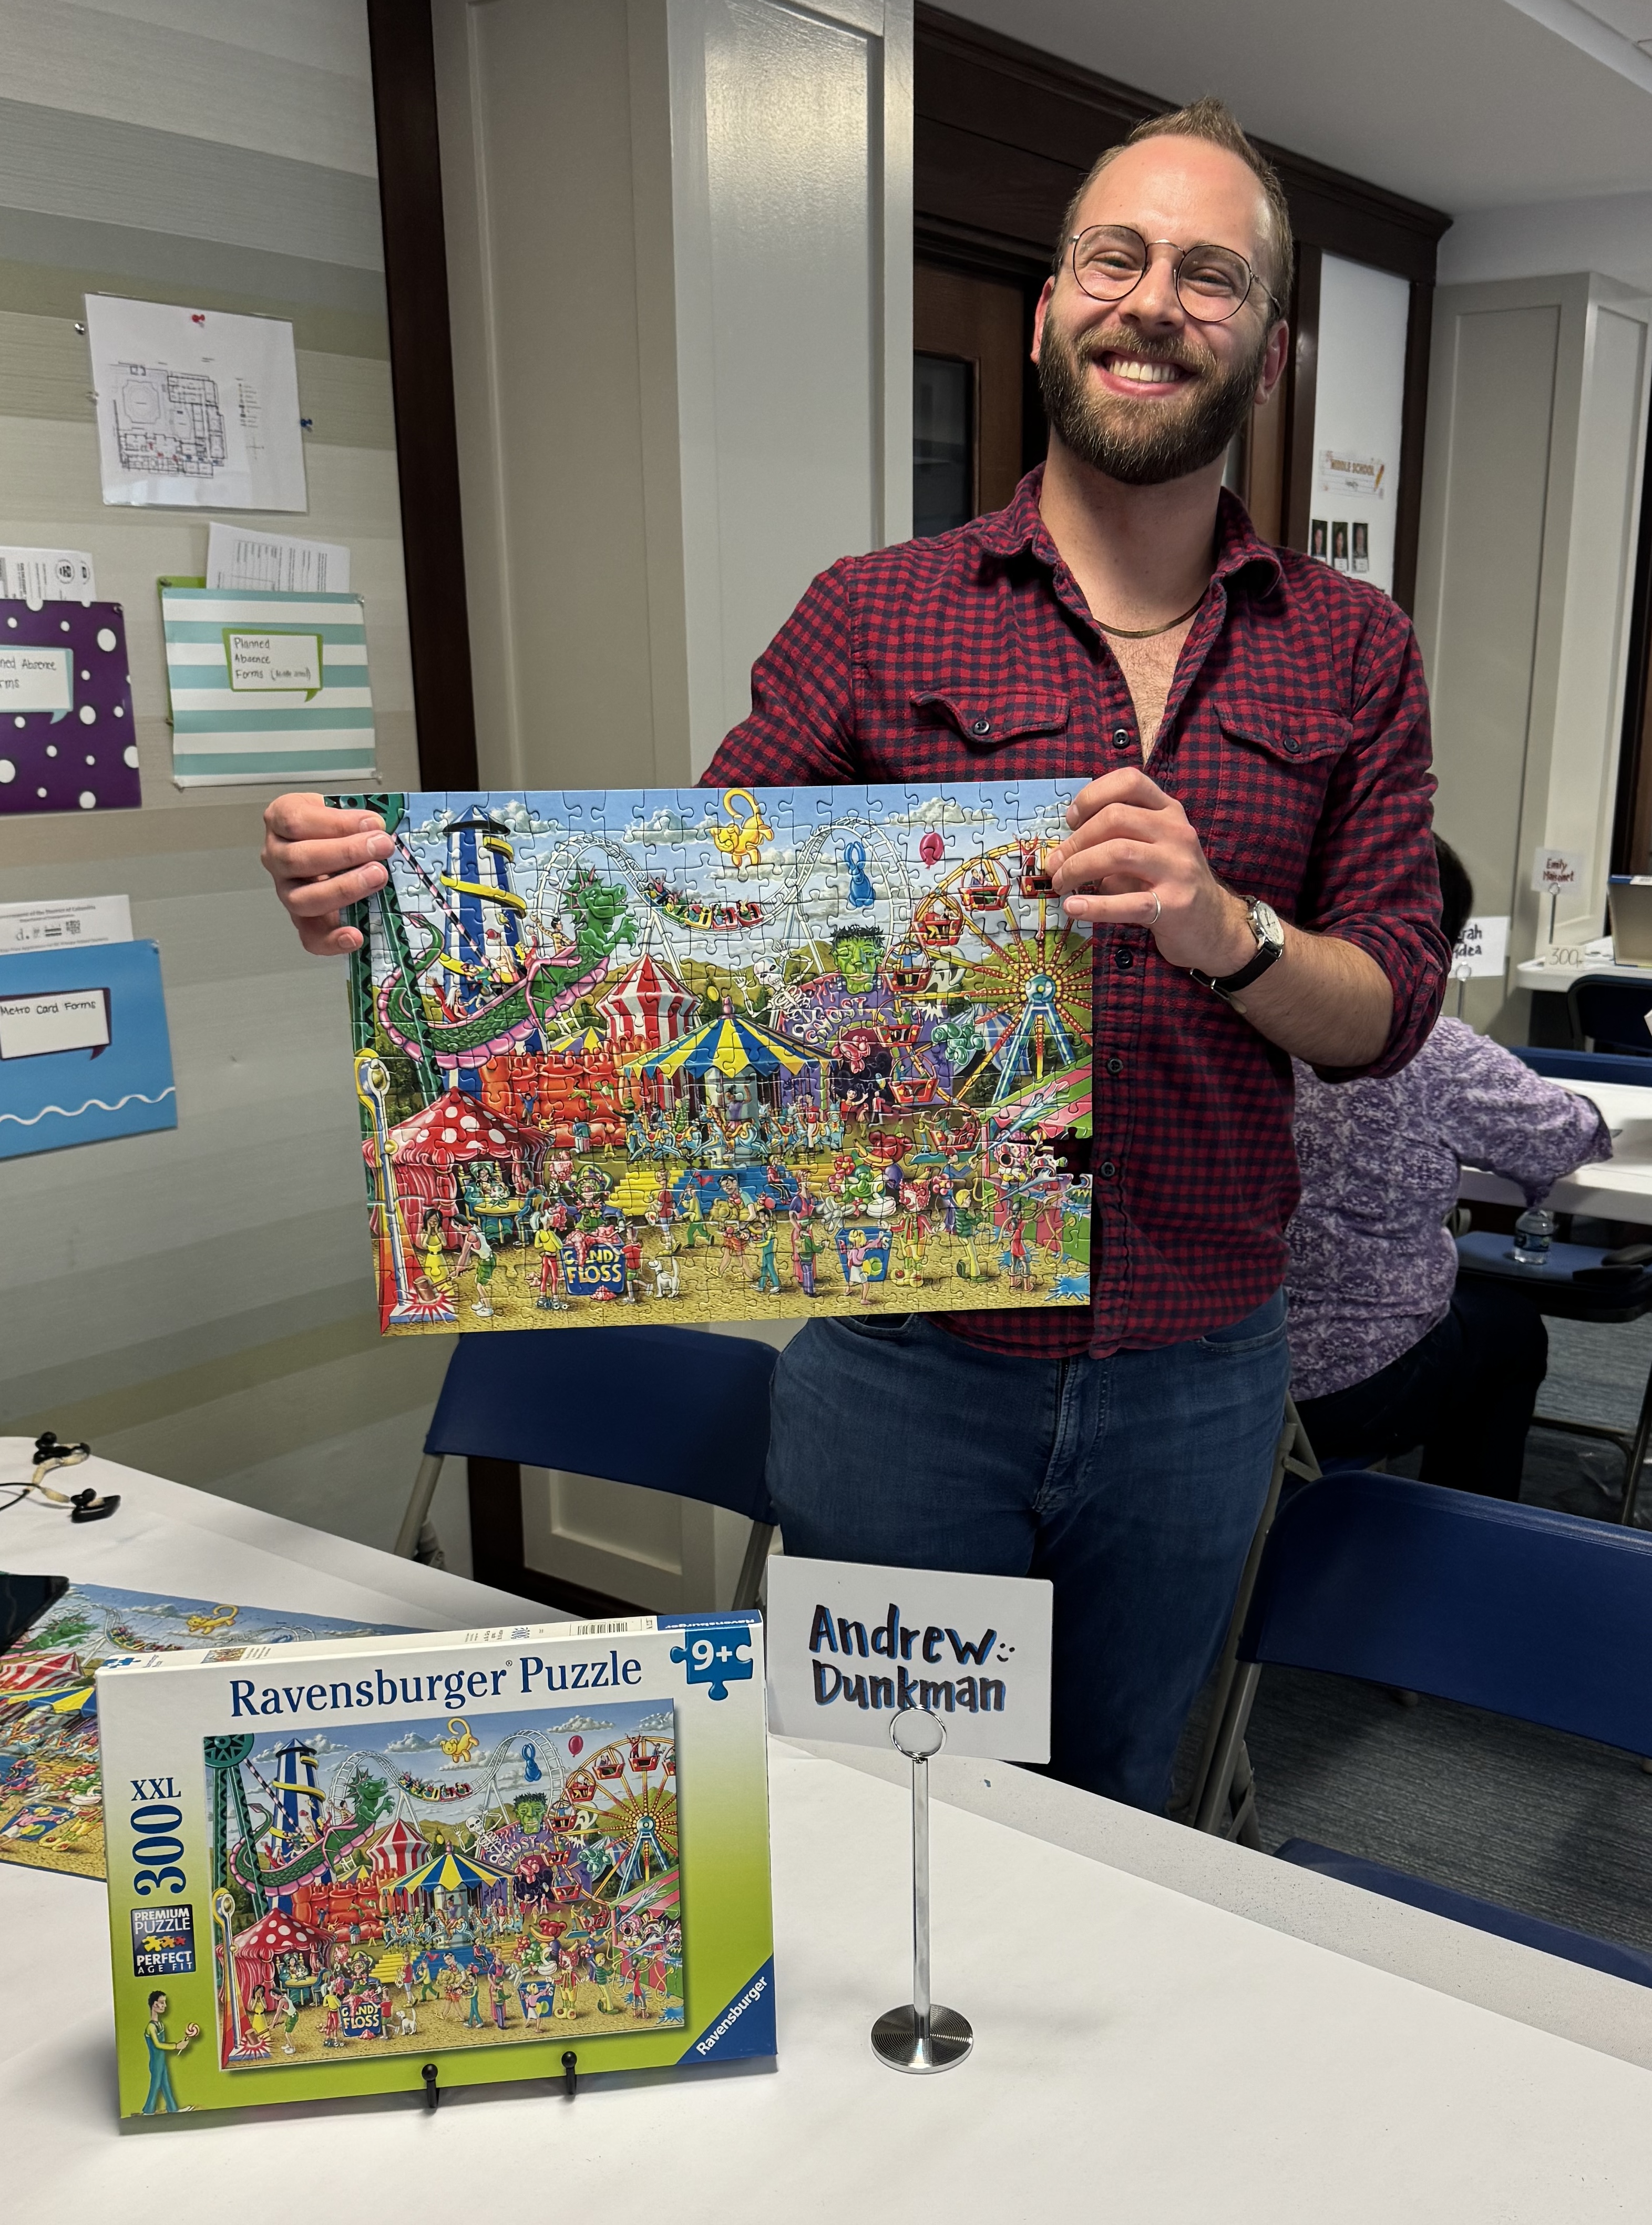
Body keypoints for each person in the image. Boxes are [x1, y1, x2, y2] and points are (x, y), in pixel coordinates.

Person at [257, 100, 1444, 1812]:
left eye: (1209, 275)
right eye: (1113, 258)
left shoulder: (1349, 648)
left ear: (1264, 349)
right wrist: (403, 913)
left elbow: (1385, 1008)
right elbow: (676, 922)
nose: (1151, 301)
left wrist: (1224, 929)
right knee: (873, 1814)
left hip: (1194, 1378)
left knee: (1127, 1820)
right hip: (908, 1370)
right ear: (1046, 313)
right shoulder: (876, 613)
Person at [1288, 837, 1610, 1498]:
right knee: (1509, 1330)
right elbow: (1563, 1138)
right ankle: (1465, 1526)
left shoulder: (1227, 1025)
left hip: (1215, 1362)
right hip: (1350, 1381)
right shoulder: (1430, 1048)